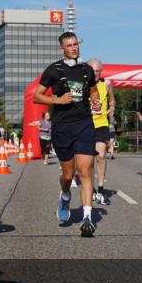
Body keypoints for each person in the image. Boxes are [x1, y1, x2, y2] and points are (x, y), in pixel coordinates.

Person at [34, 32, 102, 236]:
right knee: (68, 175)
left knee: (86, 171)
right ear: (61, 48)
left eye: (75, 44)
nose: (74, 48)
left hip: (84, 125)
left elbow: (92, 90)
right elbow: (37, 96)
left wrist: (95, 100)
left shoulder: (87, 70)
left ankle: (87, 218)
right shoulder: (53, 70)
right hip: (62, 127)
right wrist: (57, 101)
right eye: (69, 45)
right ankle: (64, 195)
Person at [87, 58, 115, 205]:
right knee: (88, 160)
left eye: (98, 70)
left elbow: (112, 100)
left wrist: (112, 107)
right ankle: (89, 189)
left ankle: (101, 190)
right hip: (85, 124)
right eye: (92, 70)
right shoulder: (83, 85)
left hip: (101, 123)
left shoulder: (107, 84)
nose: (95, 73)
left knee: (101, 155)